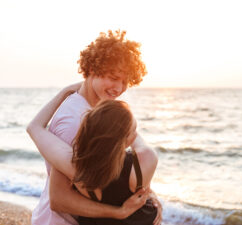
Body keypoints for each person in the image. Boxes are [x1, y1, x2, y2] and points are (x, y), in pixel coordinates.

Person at [27, 30, 162, 225]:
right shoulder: (76, 122)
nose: (119, 88)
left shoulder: (95, 114)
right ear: (92, 69)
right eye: (113, 77)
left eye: (125, 81)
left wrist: (147, 195)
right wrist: (120, 212)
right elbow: (59, 198)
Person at [27, 84, 158, 225]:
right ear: (126, 140)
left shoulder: (77, 168)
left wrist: (65, 92)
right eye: (133, 130)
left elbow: (34, 127)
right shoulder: (144, 163)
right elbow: (137, 142)